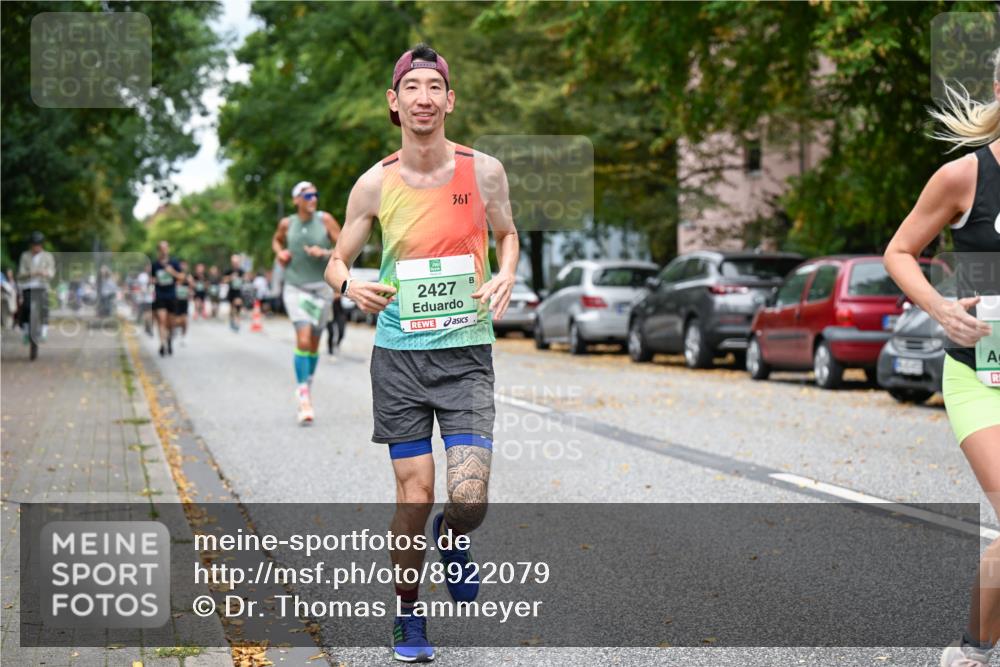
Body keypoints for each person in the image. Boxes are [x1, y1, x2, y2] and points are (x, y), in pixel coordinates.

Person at [325, 44, 518, 663]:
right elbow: (337, 260)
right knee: (415, 494)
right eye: (413, 88)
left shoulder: (483, 171)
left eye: (436, 87)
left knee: (469, 500)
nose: (424, 98)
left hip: (466, 355)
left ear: (450, 100)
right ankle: (409, 617)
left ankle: (453, 537)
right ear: (395, 100)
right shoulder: (374, 183)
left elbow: (509, 233)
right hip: (400, 357)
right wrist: (348, 283)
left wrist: (506, 273)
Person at [884, 47, 1000, 667]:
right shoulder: (965, 176)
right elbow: (900, 251)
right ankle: (972, 653)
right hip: (982, 377)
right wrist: (941, 309)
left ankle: (975, 645)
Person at [272, 181, 342, 424]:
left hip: (321, 288)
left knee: (314, 342)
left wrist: (323, 253)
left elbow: (344, 246)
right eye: (308, 195)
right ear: (296, 200)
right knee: (302, 338)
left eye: (315, 194)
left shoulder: (326, 220)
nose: (313, 198)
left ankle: (306, 385)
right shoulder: (287, 223)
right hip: (295, 287)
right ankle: (303, 395)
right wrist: (280, 252)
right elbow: (277, 240)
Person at [16, 231, 56, 344]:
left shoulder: (48, 256)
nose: (36, 247)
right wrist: (32, 273)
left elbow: (52, 271)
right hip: (28, 286)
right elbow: (20, 273)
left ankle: (44, 332)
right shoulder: (25, 256)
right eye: (34, 244)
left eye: (38, 244)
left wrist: (46, 273)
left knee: (44, 308)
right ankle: (25, 332)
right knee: (26, 307)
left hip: (42, 286)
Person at [150, 240, 181, 357]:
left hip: (172, 295)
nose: (163, 250)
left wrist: (172, 272)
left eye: (165, 248)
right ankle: (162, 344)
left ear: (168, 249)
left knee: (171, 323)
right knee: (161, 320)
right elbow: (151, 278)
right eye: (161, 248)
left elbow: (182, 277)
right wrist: (154, 280)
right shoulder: (155, 265)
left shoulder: (174, 263)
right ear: (159, 250)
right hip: (160, 295)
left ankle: (169, 340)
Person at [223, 254, 246, 332]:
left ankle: (237, 321)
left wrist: (243, 279)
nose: (235, 264)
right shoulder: (228, 270)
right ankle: (232, 320)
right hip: (231, 291)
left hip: (238, 291)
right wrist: (230, 278)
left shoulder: (241, 271)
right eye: (234, 262)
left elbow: (245, 279)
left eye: (237, 262)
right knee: (232, 307)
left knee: (238, 304)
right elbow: (224, 281)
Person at [173, 260, 192, 347]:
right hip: (176, 301)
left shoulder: (189, 277)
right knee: (177, 320)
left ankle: (183, 337)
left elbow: (192, 287)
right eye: (182, 265)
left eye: (185, 265)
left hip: (184, 301)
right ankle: (175, 329)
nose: (183, 266)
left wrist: (190, 283)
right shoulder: (175, 275)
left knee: (185, 320)